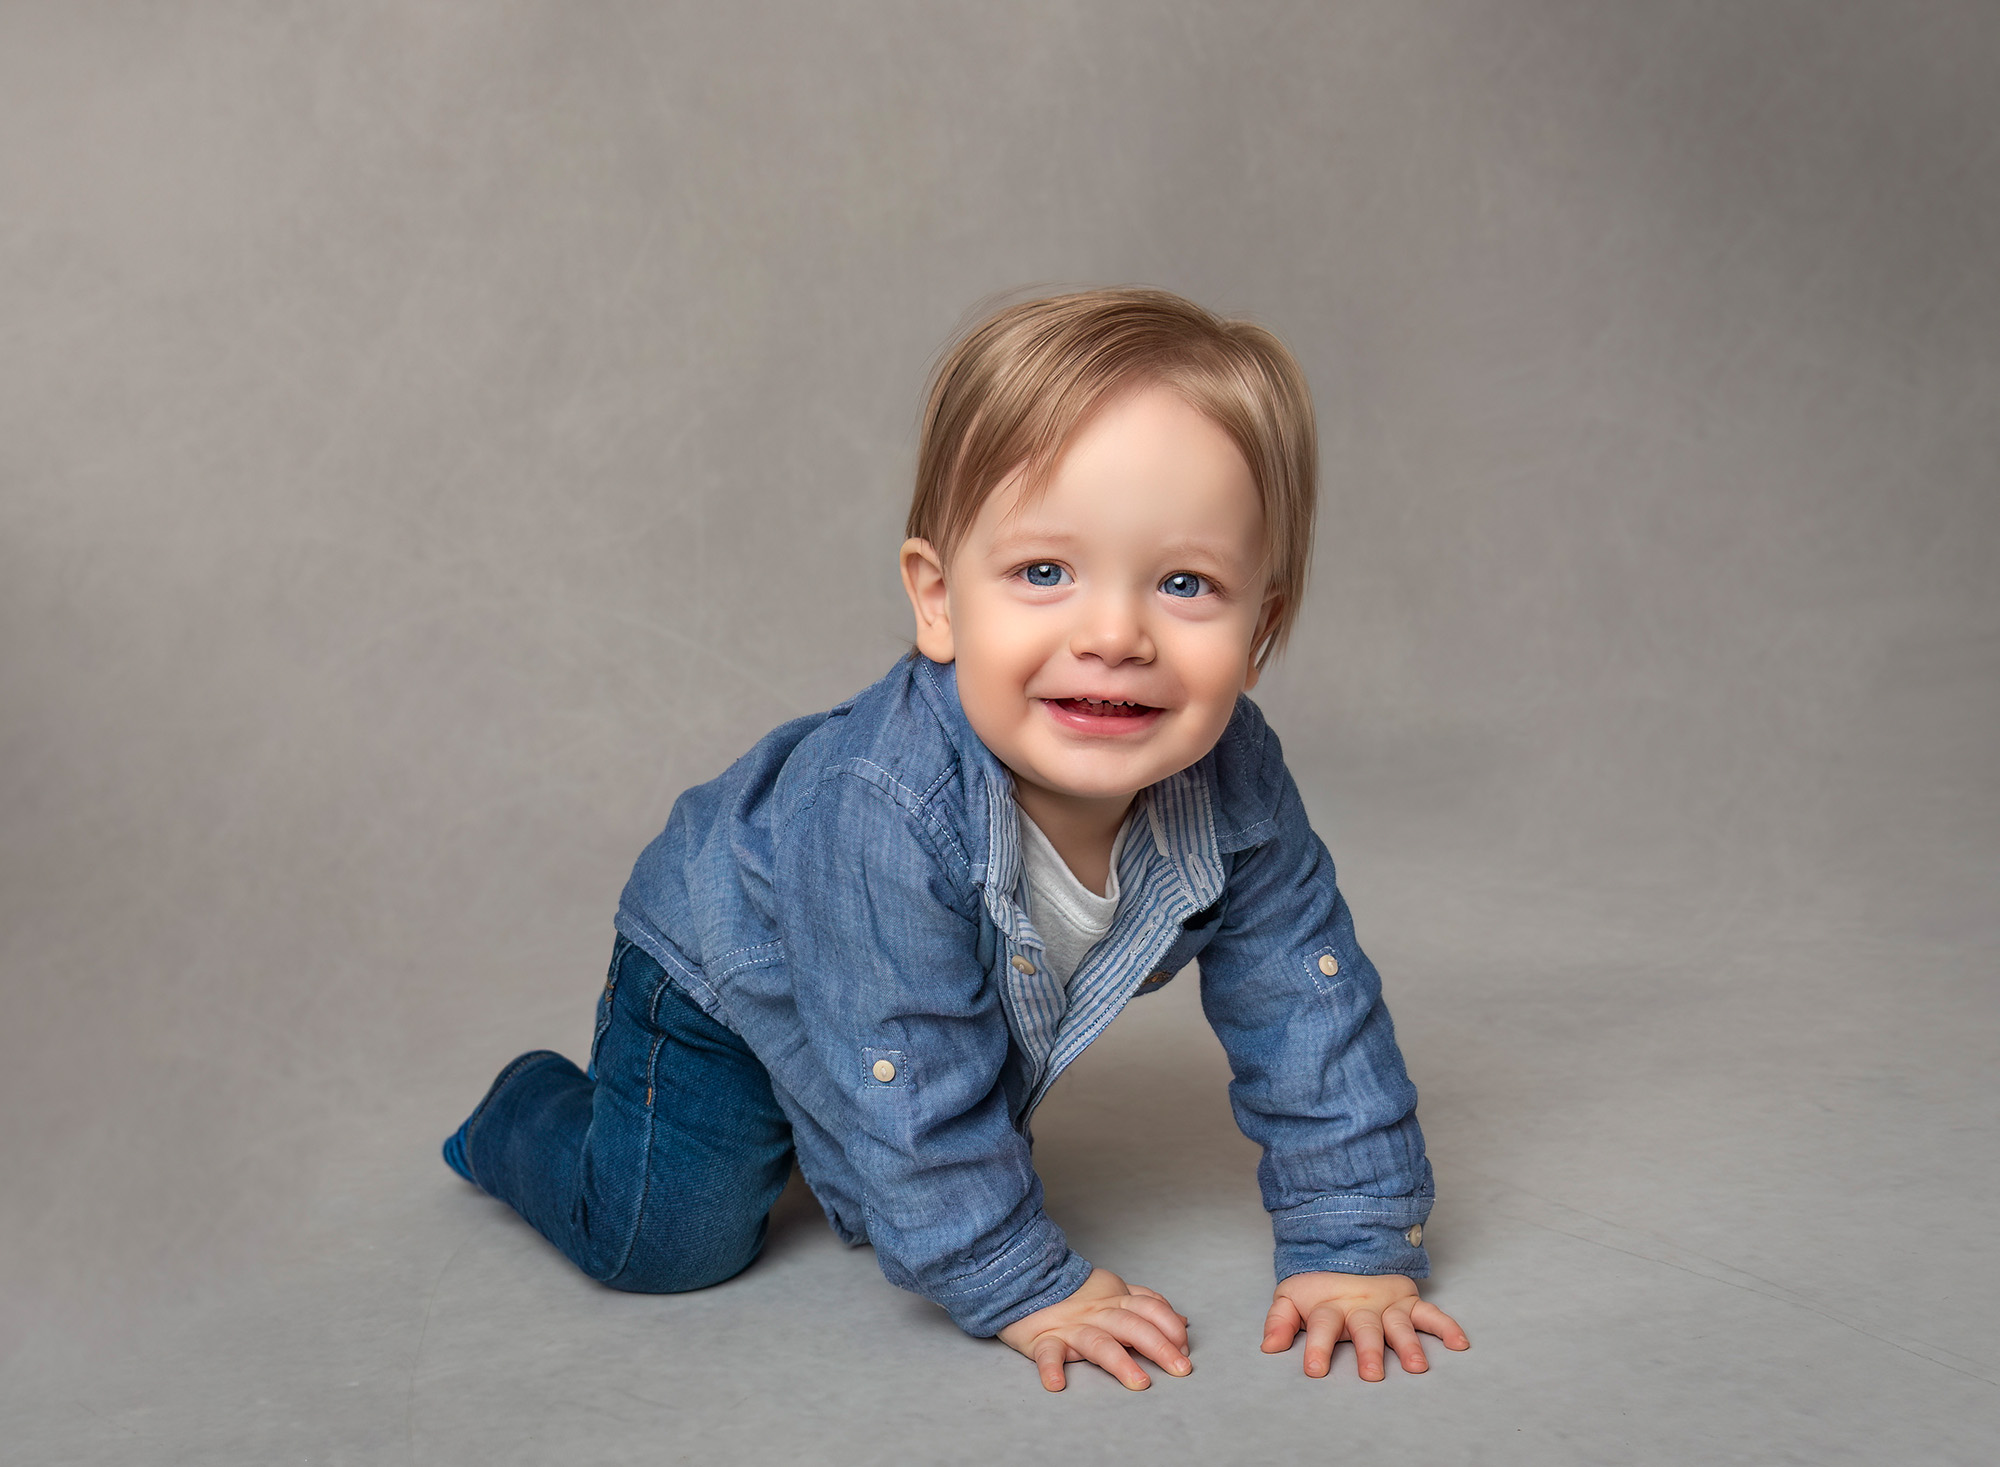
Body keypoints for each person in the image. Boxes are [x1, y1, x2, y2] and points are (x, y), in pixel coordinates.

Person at [443, 287, 1470, 1391]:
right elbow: (909, 1071)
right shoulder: (881, 807)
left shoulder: (1234, 780)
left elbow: (1306, 998)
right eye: (1043, 573)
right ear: (938, 603)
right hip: (726, 974)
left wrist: (1352, 1239)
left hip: (885, 1010)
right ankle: (524, 1112)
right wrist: (1019, 1279)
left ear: (1258, 629)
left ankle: (815, 1132)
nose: (1113, 635)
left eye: (1183, 584)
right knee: (667, 1241)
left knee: (919, 1092)